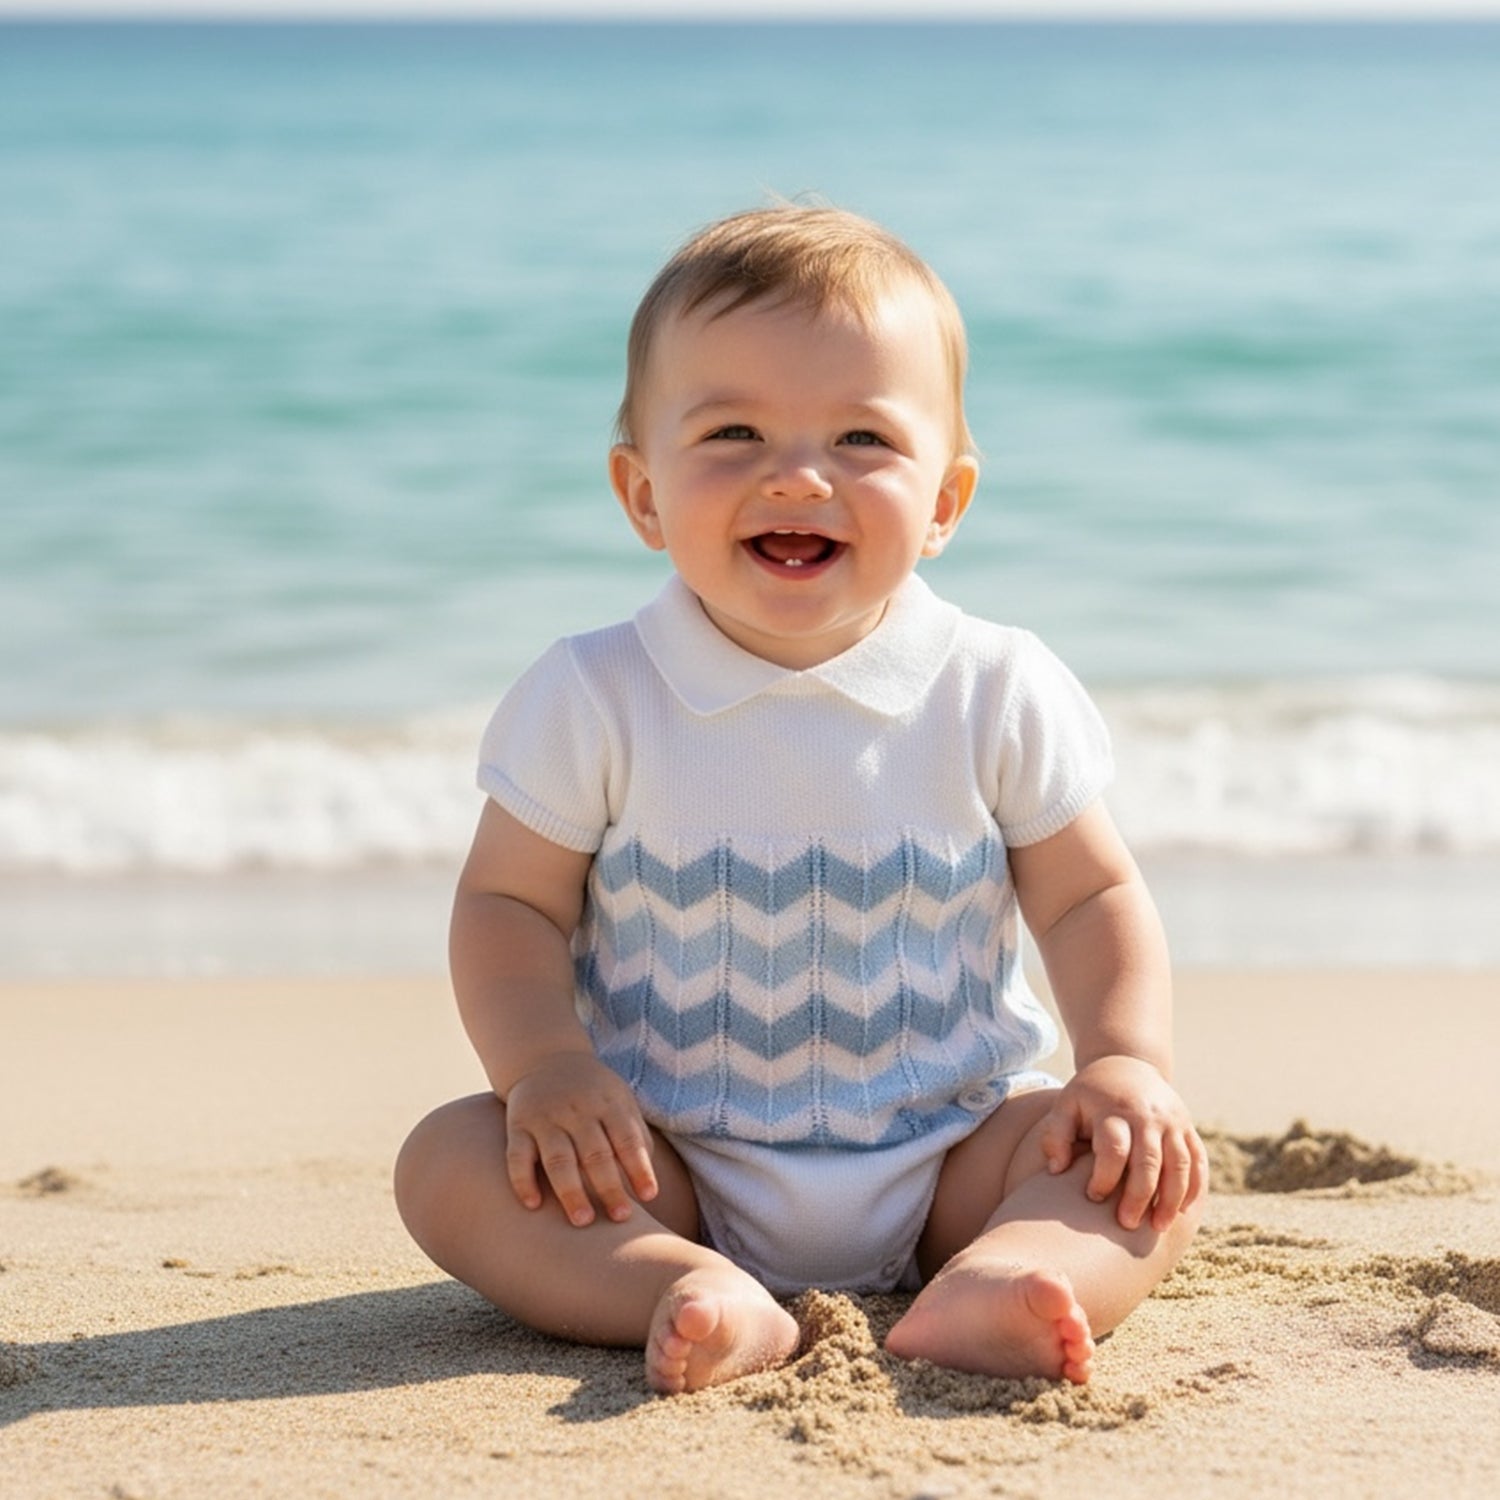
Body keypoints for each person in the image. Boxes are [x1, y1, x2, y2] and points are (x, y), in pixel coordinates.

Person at [394, 203, 1207, 1397]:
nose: (797, 473)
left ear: (945, 502)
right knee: (448, 1161)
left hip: (954, 1146)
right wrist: (545, 1066)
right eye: (733, 431)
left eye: (863, 438)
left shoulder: (994, 685)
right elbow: (509, 903)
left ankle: (1007, 1274)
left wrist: (1126, 1060)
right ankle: (680, 1286)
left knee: (1145, 1175)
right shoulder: (596, 691)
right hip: (663, 1158)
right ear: (642, 492)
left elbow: (1090, 896)